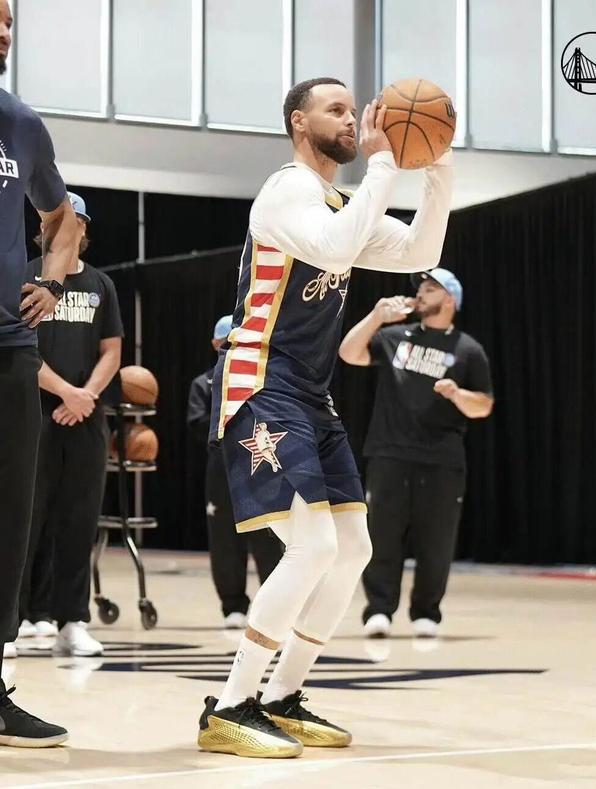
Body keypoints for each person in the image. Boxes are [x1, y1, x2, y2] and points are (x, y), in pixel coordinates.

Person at [198, 77, 453, 758]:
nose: (350, 118)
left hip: (310, 394)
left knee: (354, 549)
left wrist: (439, 171)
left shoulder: (341, 202)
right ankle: (230, 705)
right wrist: (386, 162)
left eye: (353, 109)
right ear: (297, 121)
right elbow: (337, 248)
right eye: (335, 109)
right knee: (312, 547)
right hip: (260, 382)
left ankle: (283, 693)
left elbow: (419, 253)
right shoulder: (287, 190)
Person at [0, 0, 78, 746]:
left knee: (7, 517)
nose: (3, 33)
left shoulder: (21, 124)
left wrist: (50, 282)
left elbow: (62, 221)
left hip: (8, 346)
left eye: (8, 22)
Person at [339, 268, 494, 639]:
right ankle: (379, 610)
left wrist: (457, 394)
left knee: (436, 541)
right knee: (382, 535)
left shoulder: (468, 350)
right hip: (389, 453)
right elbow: (349, 354)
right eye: (420, 288)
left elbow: (484, 405)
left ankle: (427, 612)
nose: (421, 294)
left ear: (450, 300)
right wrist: (376, 316)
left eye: (430, 289)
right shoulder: (395, 337)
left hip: (442, 459)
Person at [10, 193, 123, 658]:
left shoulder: (101, 285)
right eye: (49, 221)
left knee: (79, 520)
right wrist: (65, 392)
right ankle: (12, 623)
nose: (55, 228)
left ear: (83, 228)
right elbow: (18, 347)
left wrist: (86, 396)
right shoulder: (23, 276)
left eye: (67, 220)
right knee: (23, 520)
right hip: (33, 413)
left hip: (86, 418)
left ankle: (72, 621)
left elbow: (112, 351)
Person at [187, 316, 282, 629]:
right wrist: (232, 429)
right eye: (226, 342)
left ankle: (274, 605)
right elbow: (197, 423)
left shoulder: (263, 381)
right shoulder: (204, 383)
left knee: (268, 535)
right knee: (225, 537)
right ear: (215, 344)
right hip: (222, 468)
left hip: (260, 466)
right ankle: (233, 605)